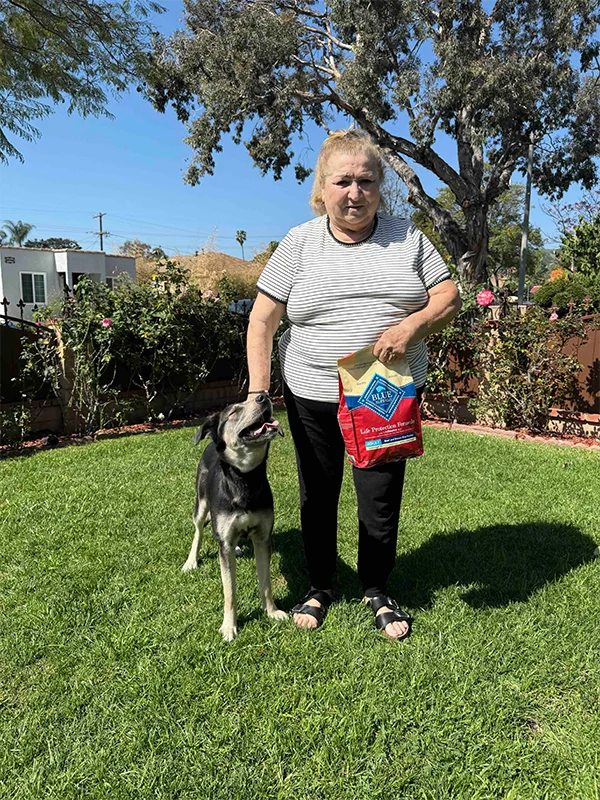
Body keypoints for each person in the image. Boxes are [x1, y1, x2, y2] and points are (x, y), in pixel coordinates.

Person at [246, 129, 461, 640]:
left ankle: (377, 588)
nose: (355, 192)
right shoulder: (298, 243)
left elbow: (449, 297)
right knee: (317, 493)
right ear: (322, 188)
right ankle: (320, 585)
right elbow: (262, 321)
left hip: (385, 394)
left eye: (366, 181)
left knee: (379, 497)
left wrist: (410, 328)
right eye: (343, 181)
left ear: (380, 187)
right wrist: (258, 393)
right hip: (312, 392)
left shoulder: (408, 238)